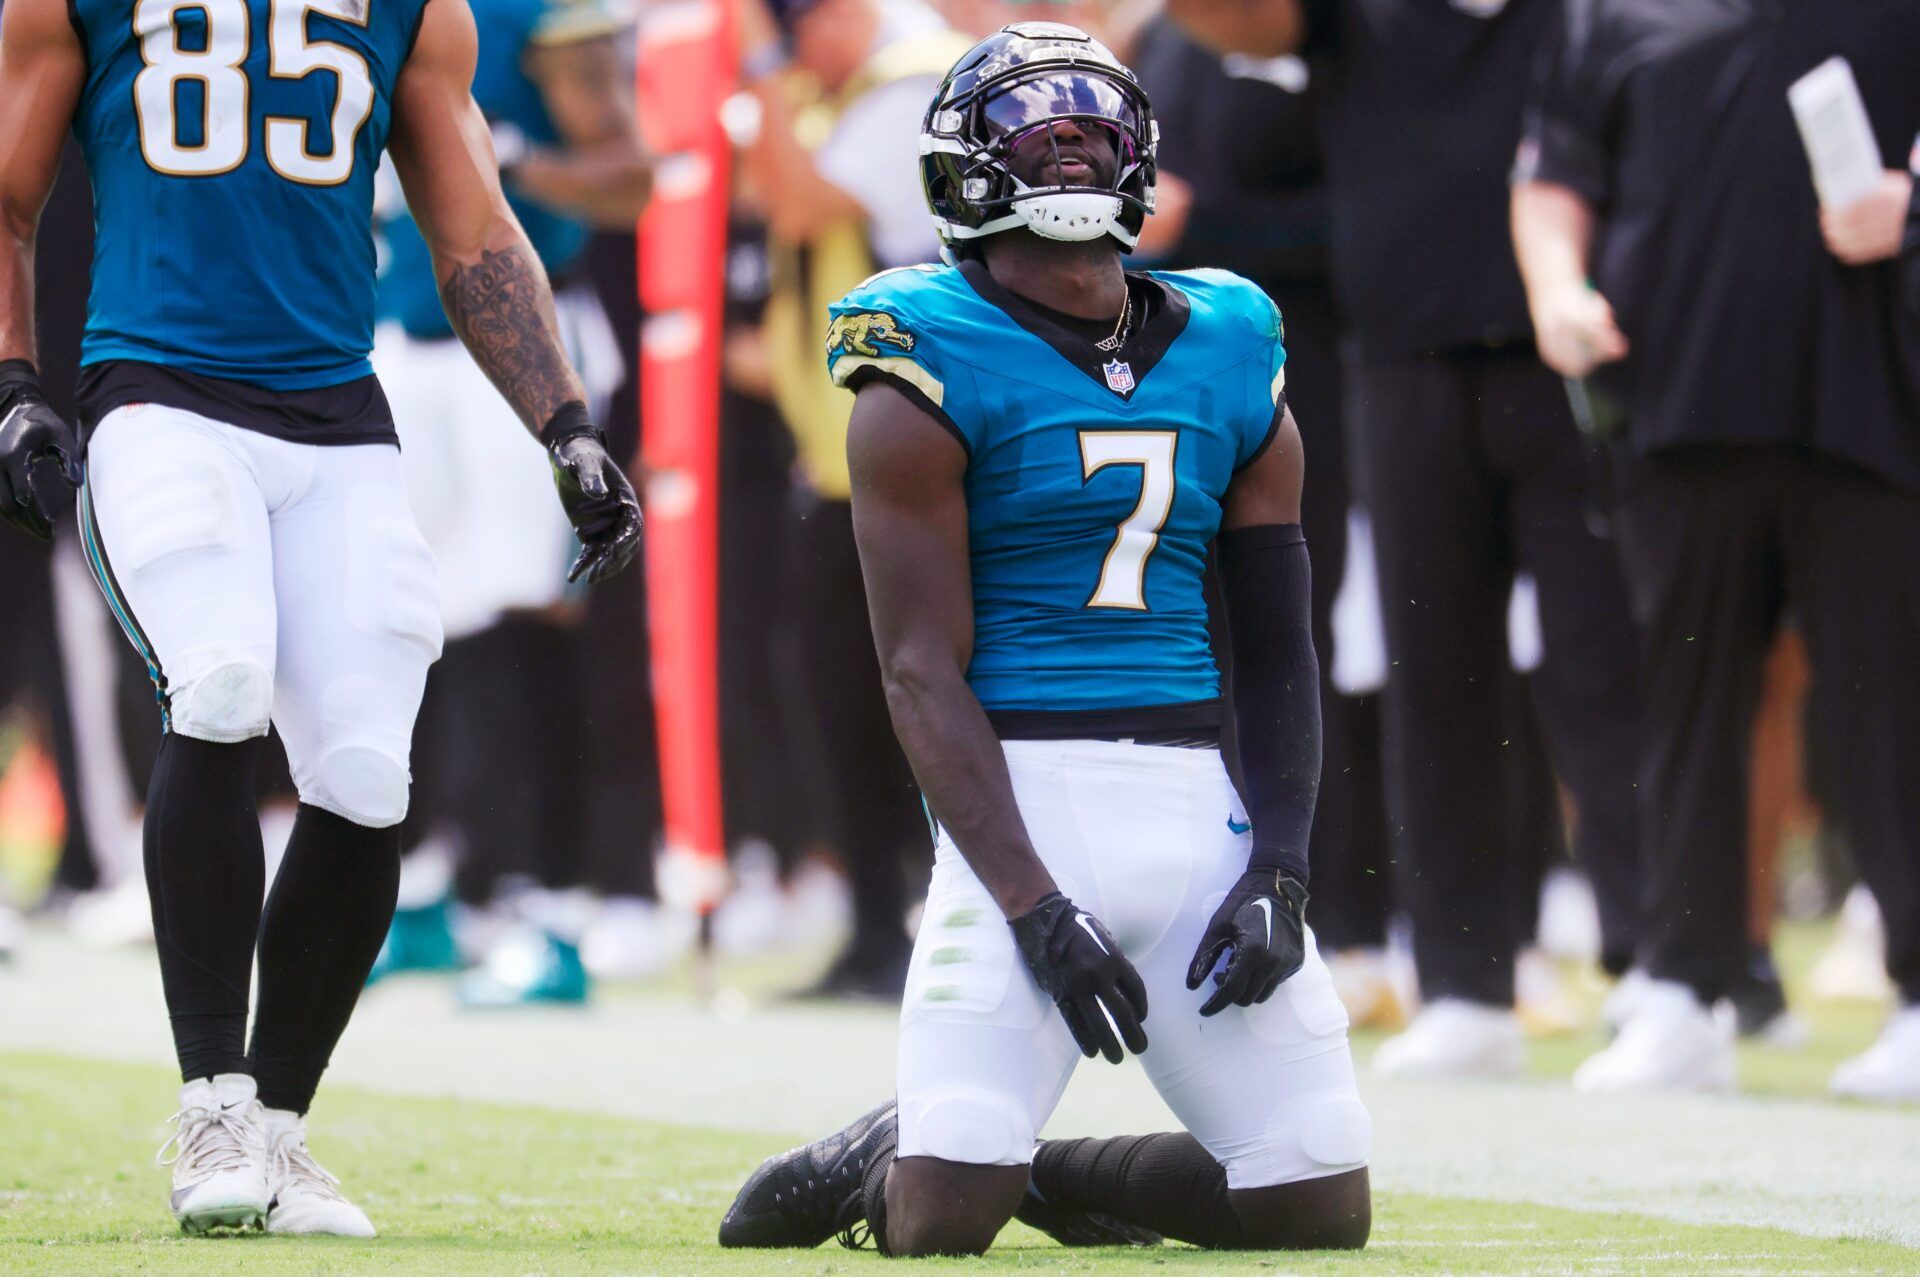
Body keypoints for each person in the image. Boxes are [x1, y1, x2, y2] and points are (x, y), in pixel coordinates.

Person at [717, 24, 1370, 1257]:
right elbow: (918, 668)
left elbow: (1282, 645)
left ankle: (1038, 1170)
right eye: (1038, 136)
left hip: (1196, 802)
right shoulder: (922, 348)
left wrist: (1280, 863)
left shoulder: (1231, 336)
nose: (1069, 161)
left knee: (1316, 1196)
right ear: (967, 166)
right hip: (1019, 794)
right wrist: (1031, 902)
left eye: (1090, 136)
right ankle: (900, 1159)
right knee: (937, 1226)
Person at [0, 0, 642, 1236]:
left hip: (339, 413)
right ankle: (211, 1100)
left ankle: (281, 1128)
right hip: (159, 394)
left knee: (365, 767)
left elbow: (473, 228)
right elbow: (9, 195)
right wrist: (16, 381)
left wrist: (563, 421)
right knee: (225, 679)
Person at [1167, 0, 1644, 1079]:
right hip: (1402, 359)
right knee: (1438, 675)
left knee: (1601, 666)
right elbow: (1243, 35)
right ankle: (1467, 981)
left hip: (1569, 355)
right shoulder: (1355, 13)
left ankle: (1663, 969)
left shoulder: (1584, 16)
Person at [1513, 0, 1920, 1100]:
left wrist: (1910, 200)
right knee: (1681, 705)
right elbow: (1553, 179)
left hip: (1870, 409)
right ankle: (1683, 992)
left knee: (1886, 704)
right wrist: (1557, 295)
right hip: (1676, 412)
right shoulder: (1608, 14)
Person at [368, 0, 659, 998]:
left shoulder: (539, 11)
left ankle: (556, 912)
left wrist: (497, 165)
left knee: (528, 622)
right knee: (415, 622)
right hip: (397, 335)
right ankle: (420, 893)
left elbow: (632, 179)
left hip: (520, 349)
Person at [734, 0, 971, 997]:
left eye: (801, 31)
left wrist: (758, 76)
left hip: (918, 449)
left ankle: (923, 917)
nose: (795, 55)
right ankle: (879, 924)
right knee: (836, 688)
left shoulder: (916, 75)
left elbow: (796, 205)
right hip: (843, 454)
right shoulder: (848, 89)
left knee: (914, 688)